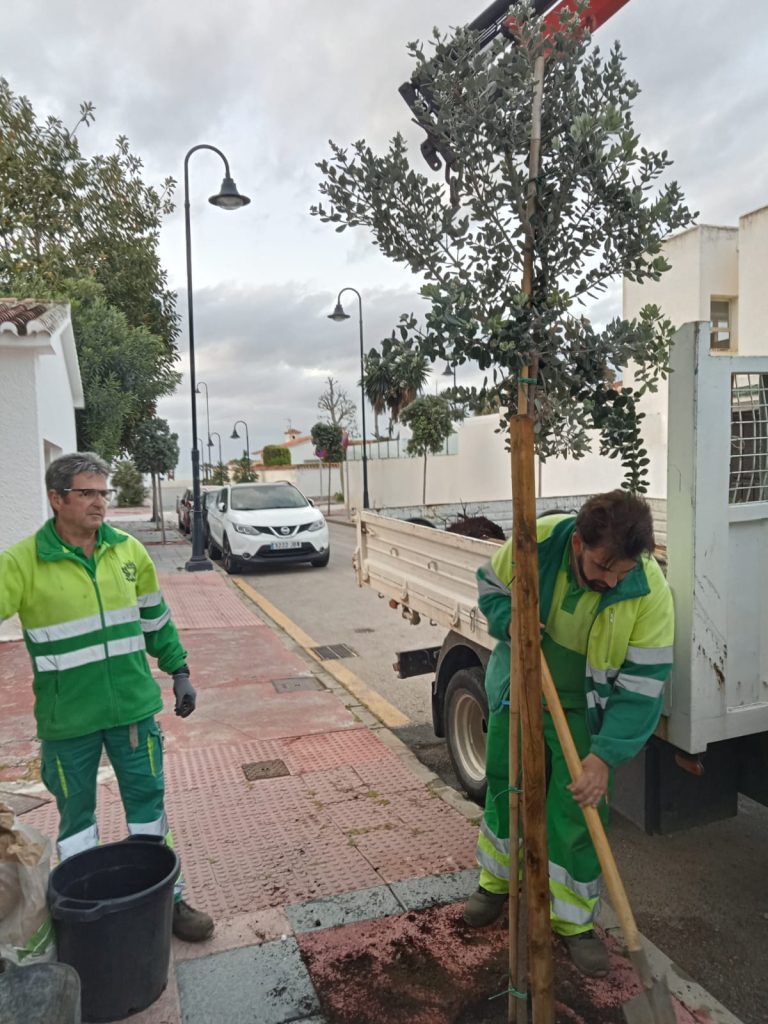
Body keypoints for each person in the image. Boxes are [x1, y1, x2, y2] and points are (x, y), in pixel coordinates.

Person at [0, 452, 213, 942]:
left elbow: (155, 620)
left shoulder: (128, 553)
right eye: (87, 493)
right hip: (68, 720)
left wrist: (178, 669)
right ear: (56, 499)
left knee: (148, 809)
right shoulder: (22, 562)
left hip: (133, 712)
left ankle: (168, 902)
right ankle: (88, 914)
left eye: (103, 492)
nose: (99, 502)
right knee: (77, 823)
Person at [463, 491, 674, 977]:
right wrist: (510, 622)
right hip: (520, 684)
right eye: (602, 566)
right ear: (578, 542)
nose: (609, 580)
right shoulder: (533, 541)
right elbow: (490, 587)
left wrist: (604, 757)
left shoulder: (649, 591)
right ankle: (495, 883)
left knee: (578, 810)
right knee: (505, 784)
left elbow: (643, 688)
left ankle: (574, 921)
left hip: (584, 704)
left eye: (620, 571)